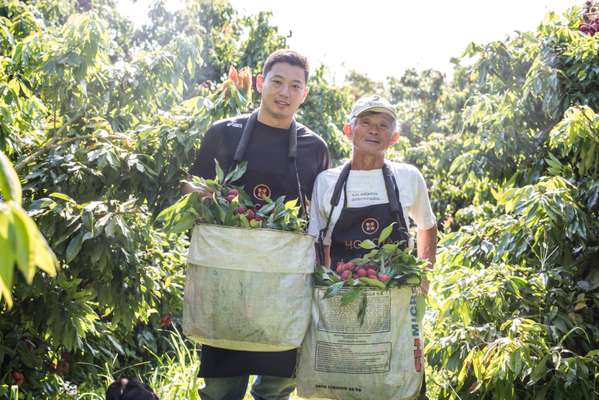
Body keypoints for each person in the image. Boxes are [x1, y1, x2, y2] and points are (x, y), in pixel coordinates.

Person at [184, 49, 329, 400]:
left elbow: (322, 215)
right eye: (277, 82)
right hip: (226, 279)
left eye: (295, 86)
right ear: (261, 83)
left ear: (304, 94)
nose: (285, 92)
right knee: (220, 390)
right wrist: (222, 205)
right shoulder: (223, 133)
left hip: (284, 285)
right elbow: (193, 188)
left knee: (277, 388)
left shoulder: (314, 147)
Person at [307, 95, 437, 398]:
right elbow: (319, 243)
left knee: (401, 380)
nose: (374, 130)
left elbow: (427, 226)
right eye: (365, 122)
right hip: (343, 298)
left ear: (394, 137)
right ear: (348, 130)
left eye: (383, 125)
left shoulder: (408, 177)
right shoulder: (326, 182)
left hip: (396, 299)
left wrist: (425, 278)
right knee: (345, 382)